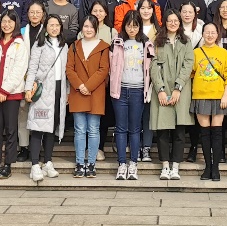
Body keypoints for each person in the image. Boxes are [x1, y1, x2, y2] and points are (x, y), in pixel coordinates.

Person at [0, 10, 30, 179]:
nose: (6, 25)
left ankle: (8, 165)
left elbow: (19, 69)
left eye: (10, 22)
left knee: (11, 130)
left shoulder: (20, 44)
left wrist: (5, 90)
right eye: (4, 21)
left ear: (15, 24)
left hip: (11, 94)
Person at [25, 13, 70, 180]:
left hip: (59, 90)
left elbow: (66, 71)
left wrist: (67, 91)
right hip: (43, 90)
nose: (54, 28)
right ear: (46, 27)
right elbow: (32, 68)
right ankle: (35, 165)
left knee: (52, 127)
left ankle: (48, 162)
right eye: (51, 25)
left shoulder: (64, 46)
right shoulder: (39, 44)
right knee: (38, 127)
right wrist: (28, 89)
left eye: (57, 25)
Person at [150, 10, 194, 180]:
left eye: (176, 21)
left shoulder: (186, 41)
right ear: (165, 23)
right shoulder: (158, 41)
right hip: (161, 91)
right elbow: (153, 66)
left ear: (180, 23)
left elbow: (188, 64)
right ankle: (165, 166)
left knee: (179, 132)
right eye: (170, 21)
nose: (173, 23)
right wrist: (160, 89)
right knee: (162, 131)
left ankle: (175, 166)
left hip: (180, 92)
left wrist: (178, 88)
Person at [191, 20, 227, 182]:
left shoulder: (223, 53)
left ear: (217, 35)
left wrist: (226, 94)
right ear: (202, 34)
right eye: (207, 32)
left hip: (219, 96)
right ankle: (207, 167)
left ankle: (216, 167)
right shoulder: (196, 53)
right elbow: (190, 72)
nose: (210, 35)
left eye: (213, 32)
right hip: (200, 95)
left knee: (217, 133)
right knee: (204, 133)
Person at [110, 10, 152, 180]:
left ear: (140, 26)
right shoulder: (117, 42)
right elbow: (110, 65)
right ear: (124, 26)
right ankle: (121, 164)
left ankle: (133, 163)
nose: (132, 29)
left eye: (135, 26)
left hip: (138, 90)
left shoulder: (146, 44)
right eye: (129, 25)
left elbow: (150, 67)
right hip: (120, 90)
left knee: (135, 129)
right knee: (121, 129)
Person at [67, 15, 110, 177]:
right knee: (79, 130)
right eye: (86, 26)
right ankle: (79, 163)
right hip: (78, 91)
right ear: (81, 28)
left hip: (95, 92)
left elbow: (103, 70)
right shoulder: (74, 46)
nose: (88, 29)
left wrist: (88, 86)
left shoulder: (103, 47)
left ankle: (91, 163)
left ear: (96, 28)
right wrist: (80, 86)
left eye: (91, 26)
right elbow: (69, 68)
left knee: (93, 129)